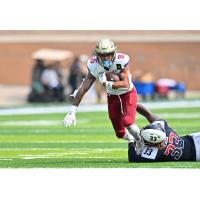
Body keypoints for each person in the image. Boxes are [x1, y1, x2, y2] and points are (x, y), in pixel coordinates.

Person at [63, 38, 142, 151]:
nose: (105, 58)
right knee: (119, 133)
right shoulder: (93, 64)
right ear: (97, 55)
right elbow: (84, 87)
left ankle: (140, 141)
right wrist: (72, 110)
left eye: (108, 54)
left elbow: (125, 83)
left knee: (127, 121)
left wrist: (107, 84)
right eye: (102, 55)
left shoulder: (121, 60)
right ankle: (131, 139)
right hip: (112, 96)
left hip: (127, 93)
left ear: (113, 53)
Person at [128, 103, 199, 162]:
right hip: (194, 138)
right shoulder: (164, 129)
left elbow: (133, 158)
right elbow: (148, 114)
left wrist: (131, 140)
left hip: (196, 153)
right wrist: (132, 104)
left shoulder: (155, 152)